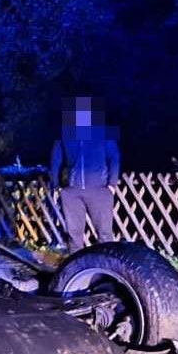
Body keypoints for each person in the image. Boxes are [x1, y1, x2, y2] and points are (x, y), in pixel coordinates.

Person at [50, 96, 120, 253]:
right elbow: (55, 160)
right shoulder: (65, 134)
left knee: (104, 234)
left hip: (99, 190)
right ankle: (77, 269)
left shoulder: (103, 133)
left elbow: (114, 157)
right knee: (73, 234)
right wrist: (57, 185)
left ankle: (107, 268)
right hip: (72, 191)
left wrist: (111, 185)